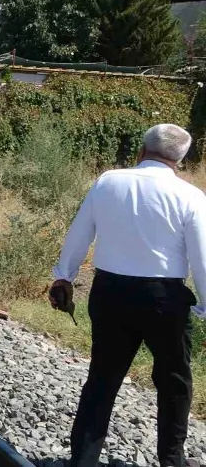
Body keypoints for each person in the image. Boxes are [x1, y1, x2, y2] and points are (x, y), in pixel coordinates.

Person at [50, 123, 206, 467]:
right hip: (164, 298)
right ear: (180, 160)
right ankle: (171, 460)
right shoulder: (191, 197)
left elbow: (79, 234)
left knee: (102, 378)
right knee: (174, 381)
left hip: (110, 292)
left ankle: (83, 460)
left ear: (142, 149)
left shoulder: (109, 181)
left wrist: (64, 277)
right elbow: (202, 257)